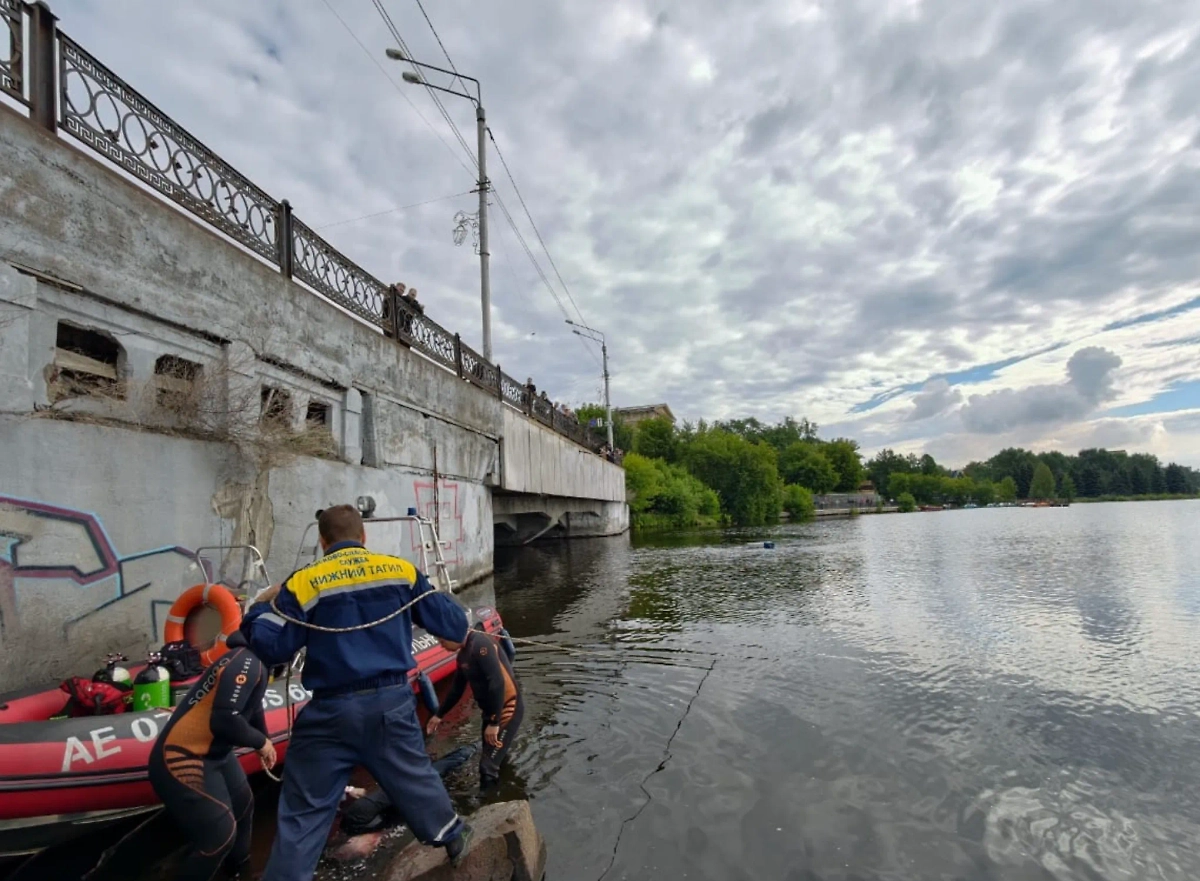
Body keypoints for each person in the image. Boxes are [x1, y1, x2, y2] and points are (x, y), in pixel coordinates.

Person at [242, 505, 474, 880]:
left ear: (322, 541)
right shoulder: (399, 570)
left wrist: (258, 611)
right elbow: (451, 623)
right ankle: (451, 835)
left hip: (330, 710)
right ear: (363, 537)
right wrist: (426, 588)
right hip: (391, 703)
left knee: (304, 810)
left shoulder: (305, 581)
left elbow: (273, 649)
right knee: (413, 774)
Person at [147, 630, 276, 881]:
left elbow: (253, 702)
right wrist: (260, 743)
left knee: (244, 806)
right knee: (220, 837)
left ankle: (239, 872)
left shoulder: (257, 660)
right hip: (183, 756)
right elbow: (225, 719)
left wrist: (265, 739)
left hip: (215, 754)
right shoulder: (245, 661)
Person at [426, 625, 524, 790]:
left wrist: (494, 722)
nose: (442, 646)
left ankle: (490, 807)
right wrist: (439, 715)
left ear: (452, 634)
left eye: (442, 641)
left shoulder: (480, 644)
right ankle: (506, 788)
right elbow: (457, 689)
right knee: (495, 757)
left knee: (487, 768)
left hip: (507, 709)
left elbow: (497, 683)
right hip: (491, 711)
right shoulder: (463, 655)